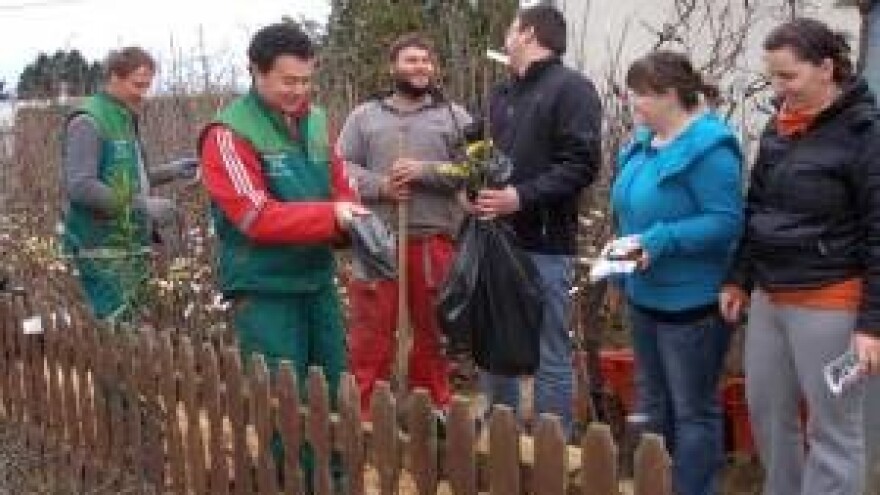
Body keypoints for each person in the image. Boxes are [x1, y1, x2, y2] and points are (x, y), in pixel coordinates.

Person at [720, 18, 880, 495]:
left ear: (826, 68)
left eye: (788, 76)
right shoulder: (778, 127)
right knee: (769, 417)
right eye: (772, 76)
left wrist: (871, 325)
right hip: (771, 298)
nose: (778, 88)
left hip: (832, 303)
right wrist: (738, 279)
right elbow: (758, 208)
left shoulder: (865, 135)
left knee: (834, 433)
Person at [199, 21, 365, 404]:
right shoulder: (228, 133)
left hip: (316, 280)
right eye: (288, 81)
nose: (299, 91)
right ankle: (288, 467)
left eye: (306, 81)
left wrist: (355, 222)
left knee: (333, 393)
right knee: (284, 402)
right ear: (256, 70)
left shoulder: (317, 121)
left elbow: (340, 180)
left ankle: (334, 467)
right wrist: (332, 217)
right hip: (265, 289)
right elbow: (254, 216)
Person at [610, 51, 743, 495]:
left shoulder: (710, 147)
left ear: (671, 95)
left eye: (643, 96)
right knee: (652, 403)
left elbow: (725, 222)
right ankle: (655, 485)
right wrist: (620, 260)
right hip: (645, 296)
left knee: (693, 410)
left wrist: (662, 239)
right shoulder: (646, 142)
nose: (636, 105)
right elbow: (631, 211)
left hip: (692, 305)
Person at [469, 5, 602, 436]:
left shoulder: (573, 90)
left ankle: (552, 449)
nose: (504, 39)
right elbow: (489, 159)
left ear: (527, 34)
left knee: (549, 353)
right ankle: (502, 442)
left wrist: (519, 197)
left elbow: (581, 166)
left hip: (545, 246)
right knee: (495, 345)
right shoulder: (503, 95)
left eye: (510, 30)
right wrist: (475, 191)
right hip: (495, 241)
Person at [338, 33, 471, 416]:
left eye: (426, 61)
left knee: (433, 331)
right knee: (371, 332)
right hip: (378, 239)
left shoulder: (453, 117)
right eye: (411, 60)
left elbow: (472, 169)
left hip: (432, 241)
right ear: (393, 67)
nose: (420, 68)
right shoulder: (365, 117)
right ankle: (365, 415)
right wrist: (381, 186)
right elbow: (341, 168)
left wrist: (425, 171)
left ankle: (430, 411)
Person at [61, 47, 197, 322]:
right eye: (137, 85)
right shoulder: (88, 121)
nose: (143, 93)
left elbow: (130, 178)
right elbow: (81, 186)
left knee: (132, 326)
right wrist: (142, 206)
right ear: (114, 77)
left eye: (147, 85)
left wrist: (171, 171)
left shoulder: (123, 116)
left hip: (130, 245)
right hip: (103, 247)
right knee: (116, 330)